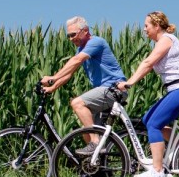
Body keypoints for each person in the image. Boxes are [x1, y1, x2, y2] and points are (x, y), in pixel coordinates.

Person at [117, 11, 179, 177]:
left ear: (156, 26)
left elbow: (148, 63)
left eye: (146, 25)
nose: (144, 29)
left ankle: (158, 171)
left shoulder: (166, 40)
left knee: (154, 124)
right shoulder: (162, 42)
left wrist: (129, 83)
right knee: (148, 120)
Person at [41, 16, 126, 154]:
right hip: (104, 90)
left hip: (113, 88)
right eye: (68, 36)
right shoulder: (81, 49)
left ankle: (95, 144)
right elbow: (69, 74)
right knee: (86, 128)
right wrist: (52, 88)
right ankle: (97, 161)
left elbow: (76, 60)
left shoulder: (96, 42)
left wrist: (53, 77)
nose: (70, 39)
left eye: (73, 34)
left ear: (85, 31)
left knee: (77, 104)